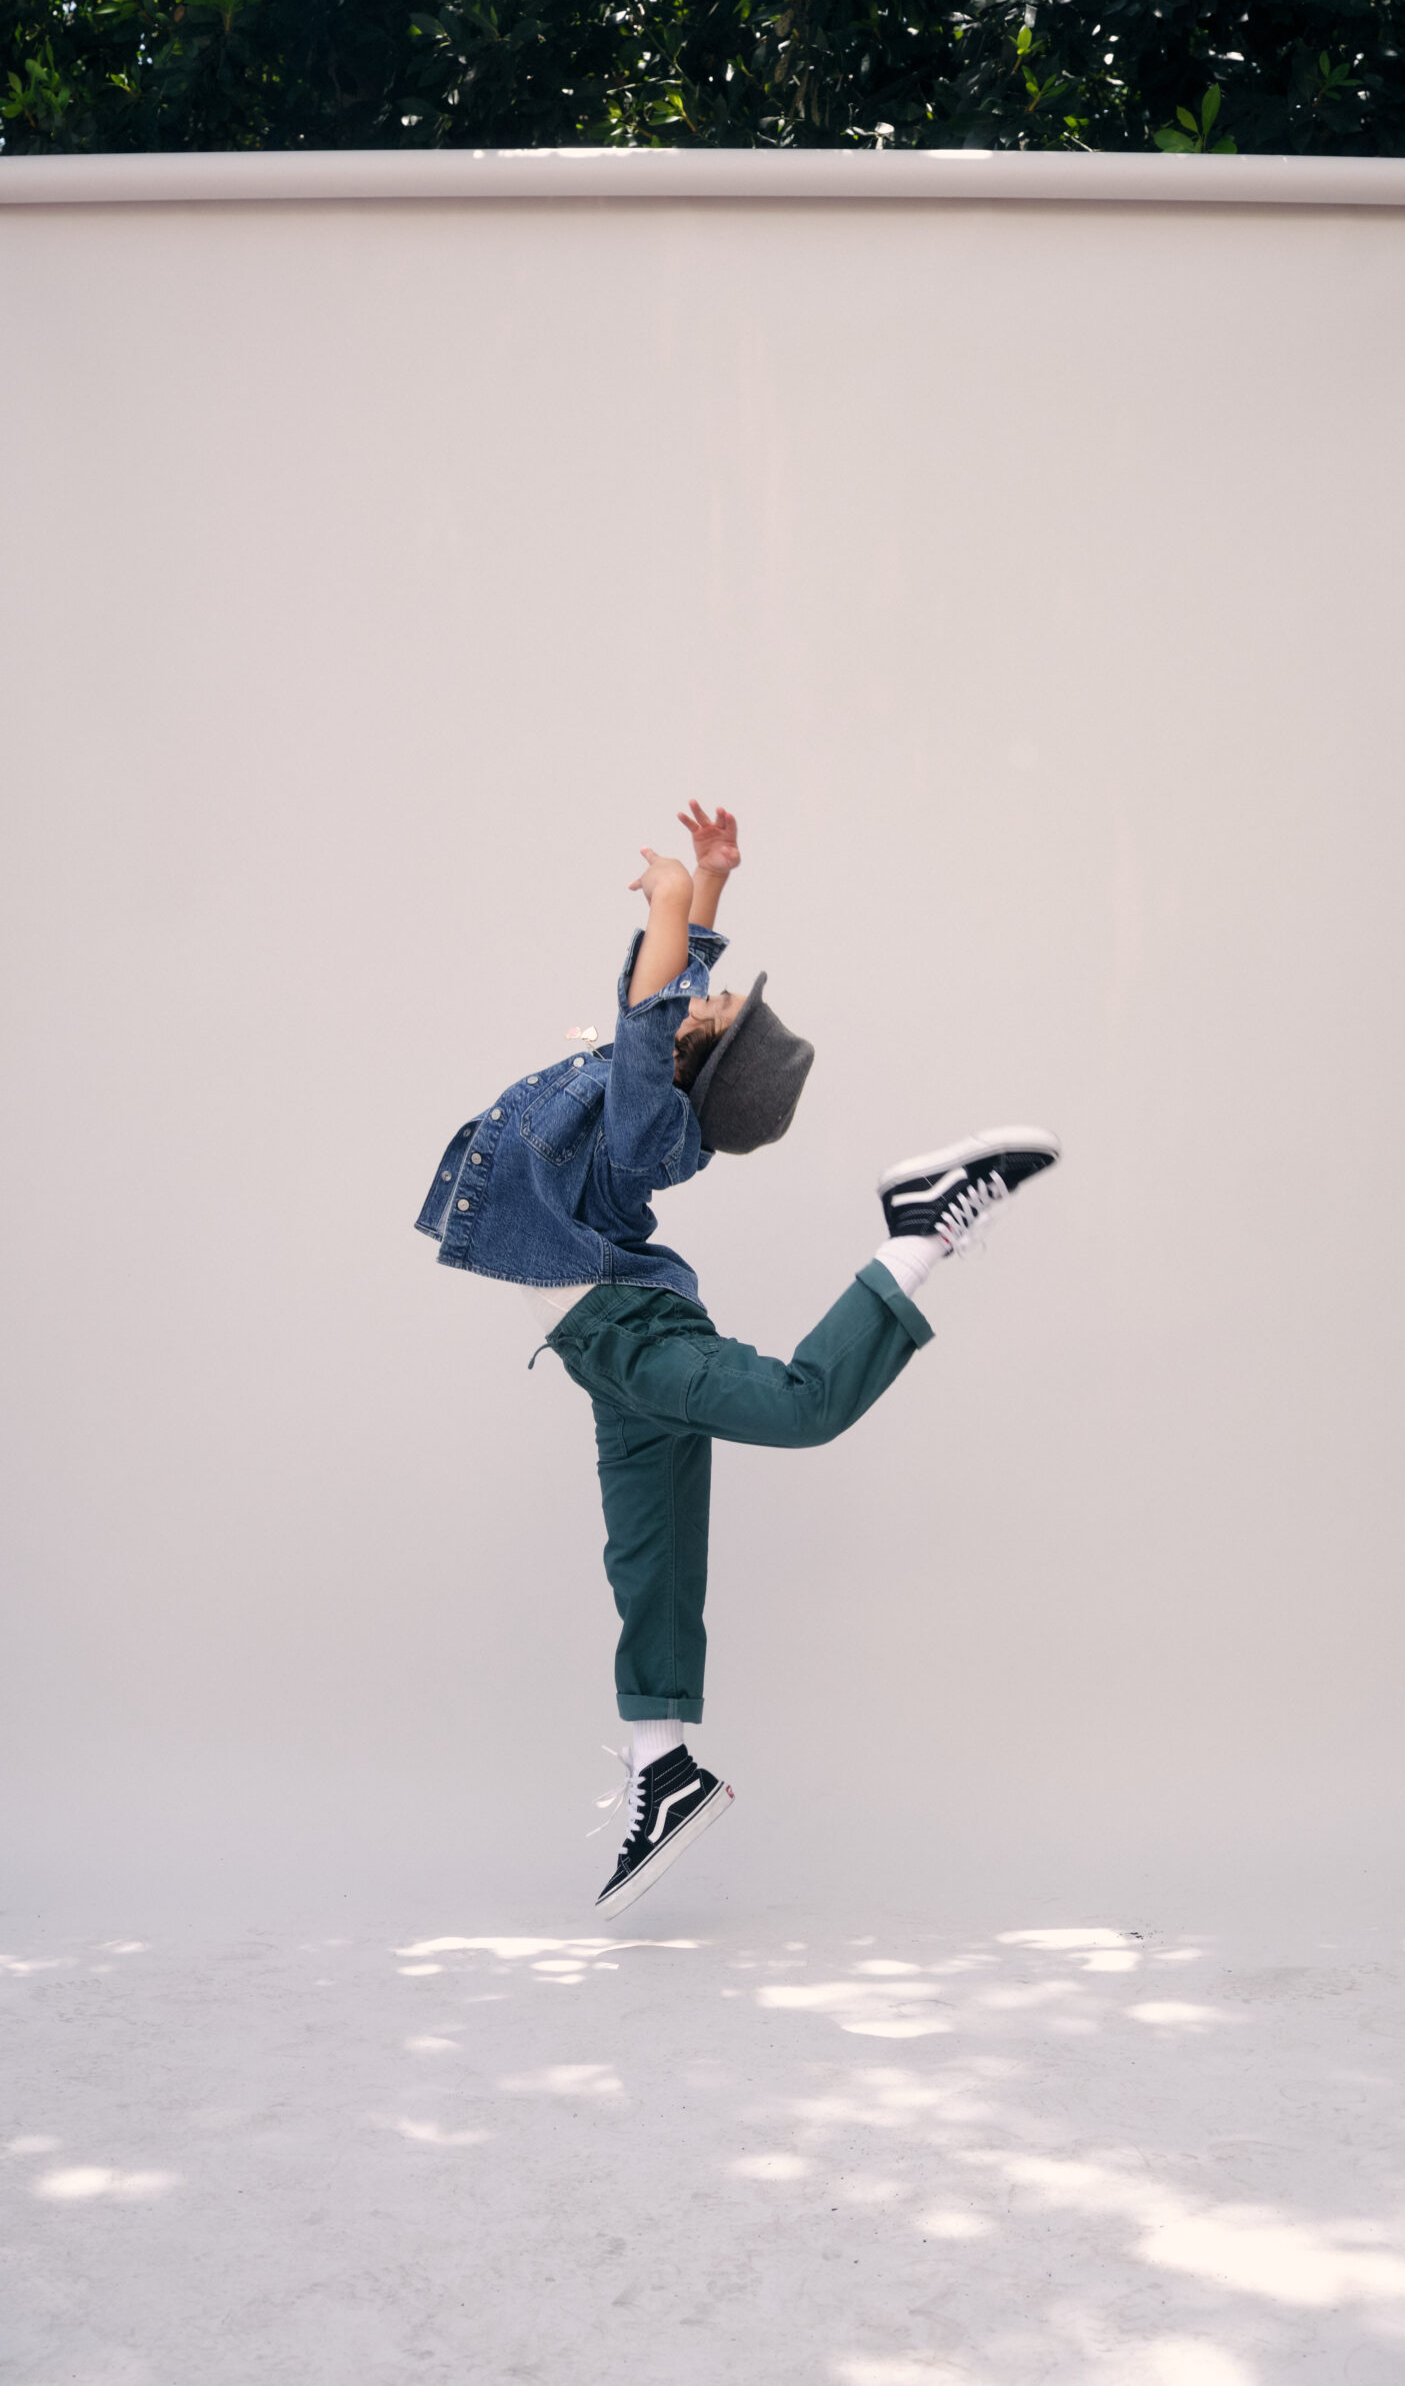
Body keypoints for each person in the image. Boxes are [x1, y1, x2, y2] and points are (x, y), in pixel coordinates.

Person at [416, 802, 1059, 1916]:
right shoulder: (657, 1099)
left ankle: (919, 1231)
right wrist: (713, 884)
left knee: (805, 1405)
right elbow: (667, 997)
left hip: (621, 1334)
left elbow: (648, 1006)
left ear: (690, 1059)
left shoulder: (642, 1118)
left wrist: (671, 896)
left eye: (705, 1010)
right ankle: (663, 1772)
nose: (699, 991)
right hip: (614, 1342)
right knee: (650, 1559)